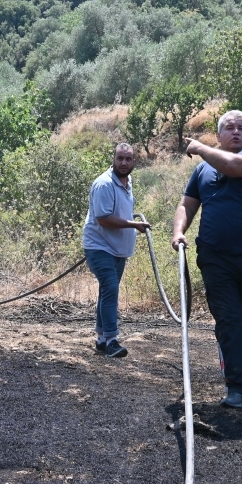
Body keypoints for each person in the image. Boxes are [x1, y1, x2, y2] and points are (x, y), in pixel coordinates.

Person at [171, 111, 242, 408]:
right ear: (219, 135)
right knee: (229, 320)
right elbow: (186, 204)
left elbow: (232, 166)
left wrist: (200, 148)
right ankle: (238, 386)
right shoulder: (202, 173)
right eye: (229, 128)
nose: (236, 132)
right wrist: (178, 231)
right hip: (215, 257)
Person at [82, 143, 151, 358]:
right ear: (113, 159)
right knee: (111, 288)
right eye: (120, 158)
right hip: (99, 246)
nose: (124, 163)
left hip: (118, 249)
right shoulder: (104, 184)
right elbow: (103, 219)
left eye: (128, 159)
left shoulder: (127, 181)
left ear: (134, 161)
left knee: (107, 291)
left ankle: (101, 339)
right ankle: (112, 340)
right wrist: (133, 225)